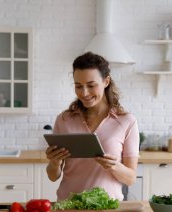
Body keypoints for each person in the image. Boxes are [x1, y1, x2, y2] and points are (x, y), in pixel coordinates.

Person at [45, 52, 139, 201]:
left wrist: (114, 166)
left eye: (91, 85)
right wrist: (55, 162)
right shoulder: (64, 120)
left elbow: (131, 178)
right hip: (69, 206)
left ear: (106, 81)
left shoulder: (127, 121)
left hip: (107, 209)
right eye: (78, 86)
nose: (84, 93)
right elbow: (53, 176)